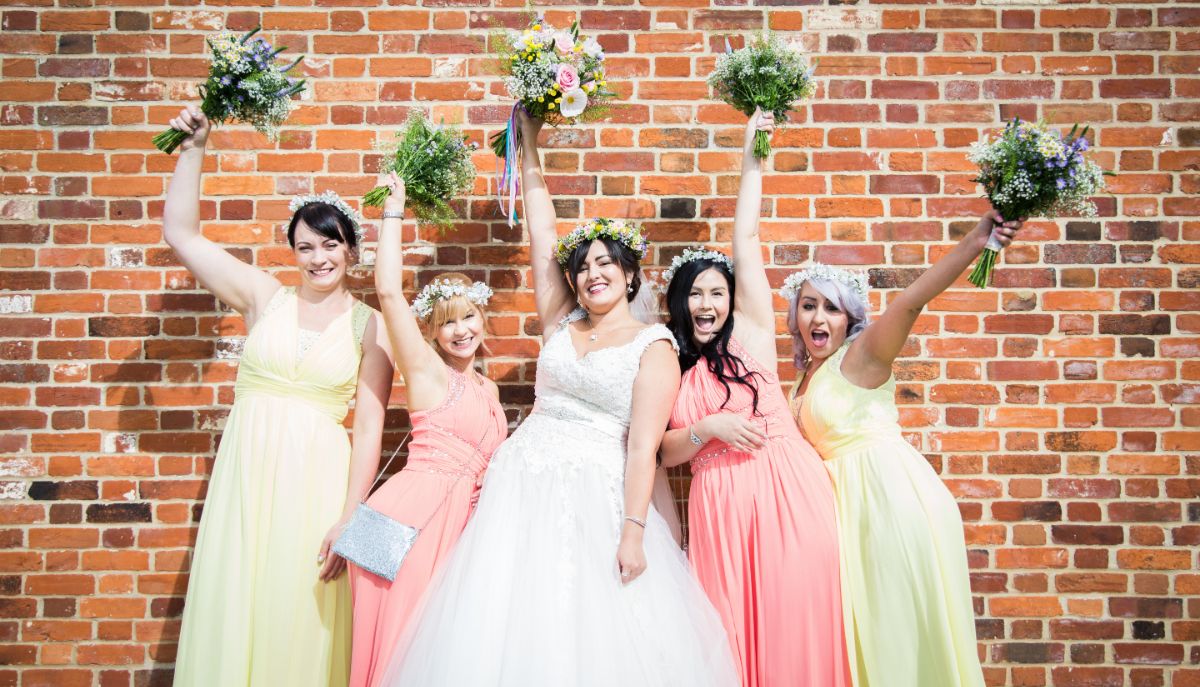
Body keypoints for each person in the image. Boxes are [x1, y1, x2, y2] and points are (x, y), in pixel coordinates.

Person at [379, 110, 738, 686]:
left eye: (605, 263)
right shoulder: (562, 323)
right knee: (506, 622)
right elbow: (541, 235)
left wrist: (633, 530)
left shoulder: (655, 347)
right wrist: (528, 143)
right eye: (583, 266)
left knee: (592, 628)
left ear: (628, 275)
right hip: (519, 485)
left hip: (596, 493)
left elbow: (644, 447)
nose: (593, 273)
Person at [162, 106, 394, 686]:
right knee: (239, 595)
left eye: (331, 245)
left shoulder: (371, 326)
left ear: (351, 249)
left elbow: (369, 427)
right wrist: (195, 149)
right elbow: (181, 235)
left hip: (316, 482)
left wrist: (349, 516)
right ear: (292, 252)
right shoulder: (264, 299)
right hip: (247, 474)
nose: (319, 258)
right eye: (306, 247)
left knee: (299, 610)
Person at [787, 211, 1024, 686]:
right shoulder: (804, 377)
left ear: (849, 318)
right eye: (809, 305)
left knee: (898, 634)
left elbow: (911, 303)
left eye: (832, 308)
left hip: (889, 502)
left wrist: (976, 241)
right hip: (853, 512)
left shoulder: (862, 355)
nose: (818, 317)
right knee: (870, 637)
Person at [658, 109, 850, 687]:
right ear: (681, 303)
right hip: (719, 507)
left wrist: (754, 147)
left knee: (797, 626)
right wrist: (710, 428)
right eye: (696, 294)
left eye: (718, 291)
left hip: (787, 490)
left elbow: (746, 235)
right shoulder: (669, 363)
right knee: (729, 642)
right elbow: (662, 454)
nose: (708, 302)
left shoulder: (754, 333)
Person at [347, 174, 508, 687]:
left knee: (442, 656)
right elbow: (389, 292)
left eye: (469, 317)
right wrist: (394, 209)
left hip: (461, 526)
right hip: (404, 520)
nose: (461, 331)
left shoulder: (489, 389)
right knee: (394, 646)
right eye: (447, 323)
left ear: (482, 317)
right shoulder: (426, 371)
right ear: (434, 333)